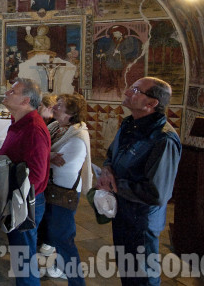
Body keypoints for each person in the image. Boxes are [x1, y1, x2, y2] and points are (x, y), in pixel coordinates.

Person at [97, 77, 181, 286]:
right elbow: (111, 153)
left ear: (151, 104)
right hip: (123, 213)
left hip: (142, 222)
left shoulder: (163, 139)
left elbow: (157, 193)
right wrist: (107, 168)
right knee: (128, 272)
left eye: (135, 90)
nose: (126, 92)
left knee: (143, 277)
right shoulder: (129, 124)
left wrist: (115, 186)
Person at [0, 77, 51, 286]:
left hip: (25, 204)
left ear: (25, 100)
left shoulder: (34, 129)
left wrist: (15, 202)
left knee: (24, 259)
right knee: (20, 255)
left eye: (13, 91)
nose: (7, 93)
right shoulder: (19, 122)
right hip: (17, 200)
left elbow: (37, 175)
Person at [41, 94, 92, 284]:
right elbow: (42, 150)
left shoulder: (78, 137)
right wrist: (50, 154)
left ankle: (76, 280)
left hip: (63, 193)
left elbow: (61, 164)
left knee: (63, 237)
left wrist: (46, 156)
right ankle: (58, 266)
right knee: (53, 234)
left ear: (71, 113)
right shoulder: (56, 127)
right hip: (51, 189)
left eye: (59, 106)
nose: (54, 107)